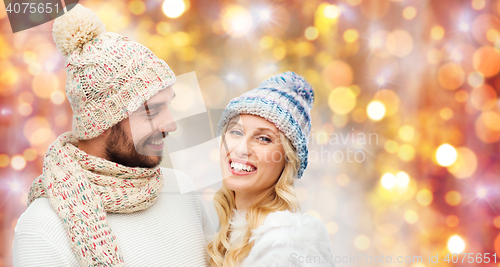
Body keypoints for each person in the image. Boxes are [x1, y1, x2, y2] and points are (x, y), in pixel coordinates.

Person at [13, 4, 213, 267]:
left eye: (168, 105)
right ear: (102, 122)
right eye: (152, 111)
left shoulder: (182, 190)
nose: (170, 125)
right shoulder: (43, 229)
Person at [207, 72, 335, 266]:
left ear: (288, 159)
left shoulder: (288, 244)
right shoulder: (218, 232)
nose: (241, 149)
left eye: (264, 138)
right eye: (236, 132)